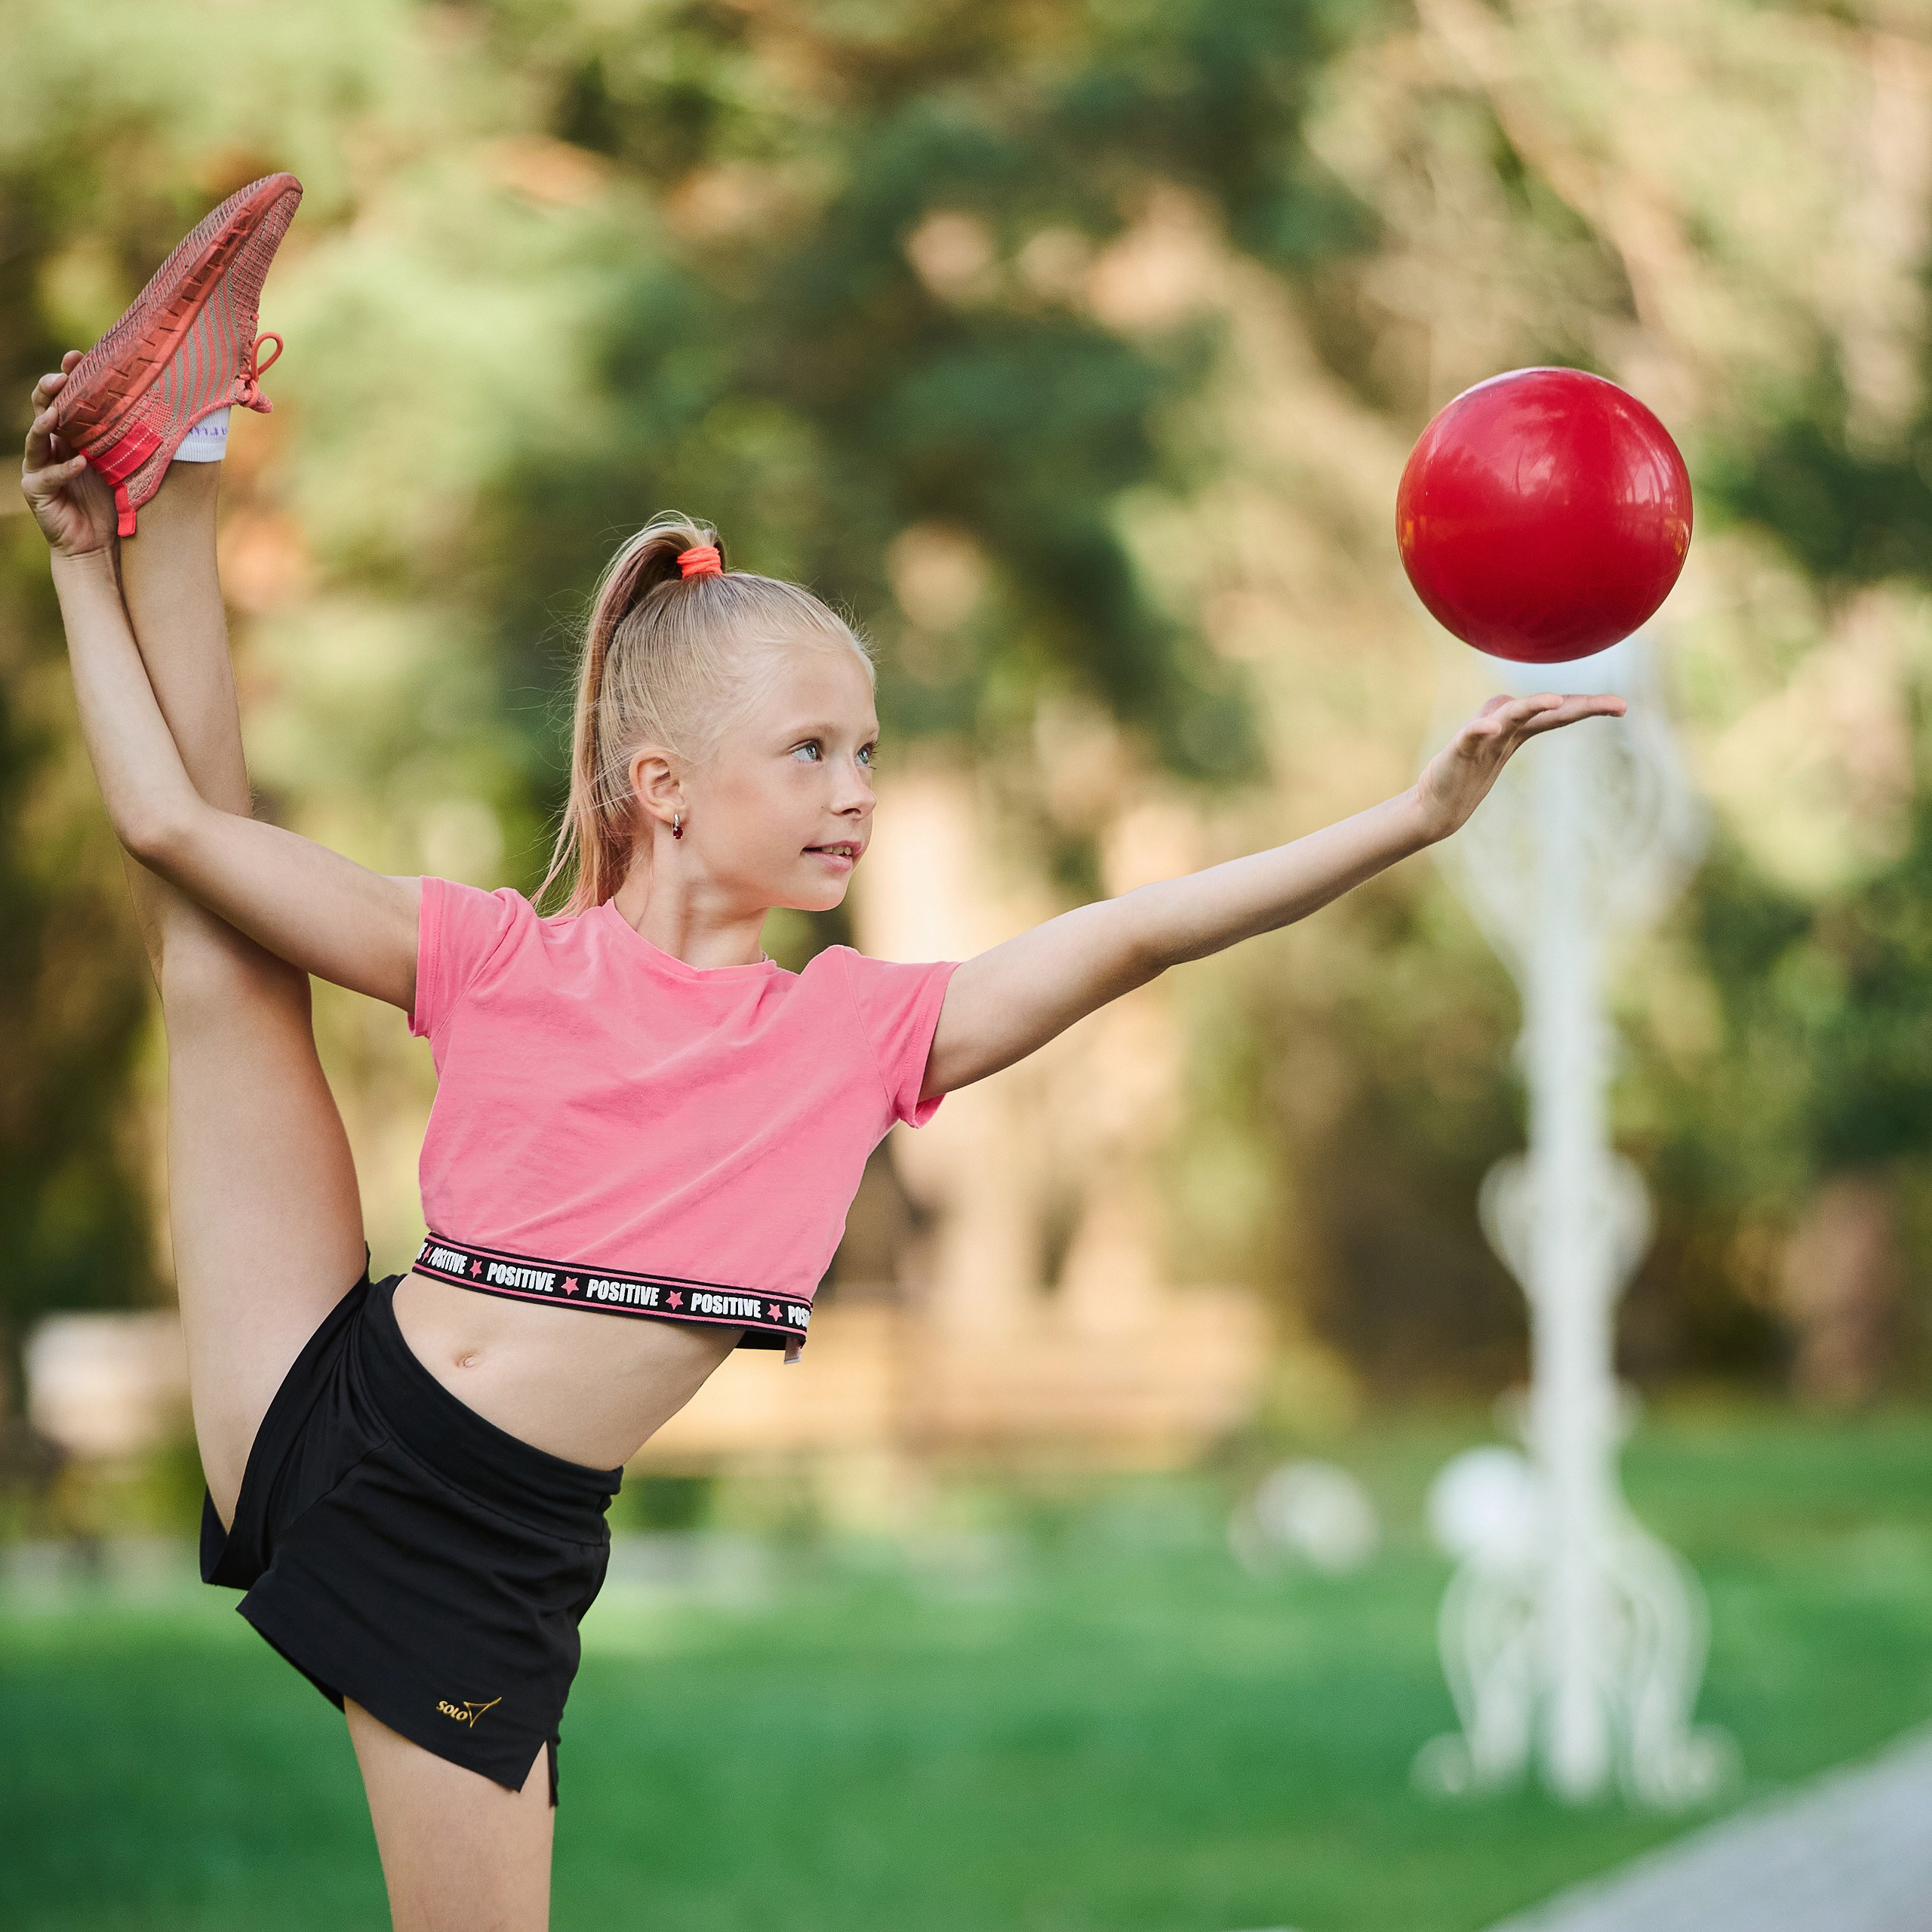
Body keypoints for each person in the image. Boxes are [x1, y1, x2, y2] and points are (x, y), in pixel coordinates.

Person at [19, 174, 1625, 1932]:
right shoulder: (491, 950)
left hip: (478, 1535)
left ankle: (144, 480)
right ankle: (161, 473)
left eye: (865, 748)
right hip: (343, 1412)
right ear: (666, 790)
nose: (856, 788)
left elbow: (1140, 926)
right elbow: (170, 823)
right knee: (216, 955)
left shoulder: (852, 1033)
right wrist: (74, 571)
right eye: (811, 751)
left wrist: (1409, 815)